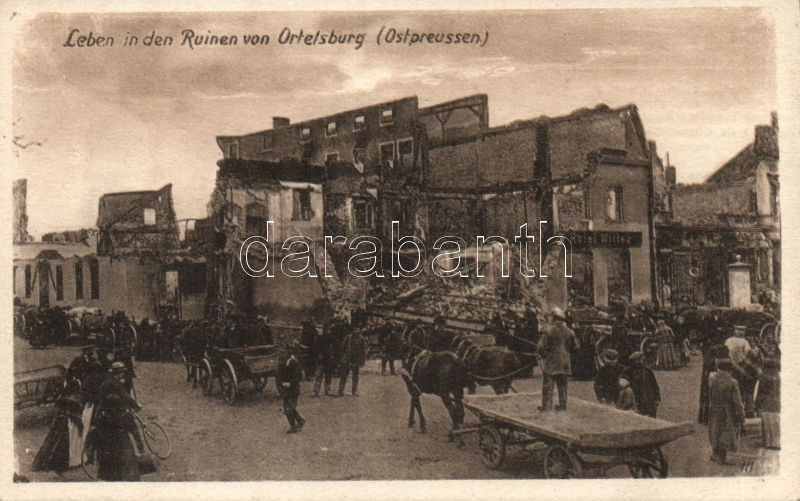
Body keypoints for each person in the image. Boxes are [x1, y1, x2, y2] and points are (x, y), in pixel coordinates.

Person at [92, 361, 142, 481]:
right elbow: (125, 396)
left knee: (107, 447)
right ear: (118, 373)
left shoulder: (107, 383)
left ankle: (107, 474)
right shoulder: (114, 384)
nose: (123, 375)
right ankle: (140, 451)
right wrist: (136, 406)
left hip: (103, 417)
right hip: (113, 417)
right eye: (122, 373)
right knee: (127, 437)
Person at [32, 380, 84, 474]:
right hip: (69, 424)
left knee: (54, 443)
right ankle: (66, 464)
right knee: (66, 444)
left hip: (58, 423)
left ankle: (52, 463)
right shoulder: (75, 399)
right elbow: (76, 414)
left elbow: (56, 412)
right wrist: (80, 424)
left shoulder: (62, 397)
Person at [536, 306, 577, 412]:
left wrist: (543, 355)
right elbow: (574, 348)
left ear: (554, 318)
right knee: (563, 386)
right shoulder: (570, 332)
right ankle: (562, 407)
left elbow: (540, 347)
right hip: (565, 362)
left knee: (548, 386)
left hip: (551, 363)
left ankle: (546, 408)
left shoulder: (548, 330)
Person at [707, 359, 745, 465]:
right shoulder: (732, 382)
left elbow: (709, 396)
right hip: (728, 411)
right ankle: (721, 456)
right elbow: (737, 401)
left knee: (716, 430)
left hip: (714, 409)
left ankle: (715, 453)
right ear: (729, 369)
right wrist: (741, 415)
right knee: (726, 432)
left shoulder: (712, 380)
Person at [276, 342, 305, 433]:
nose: (284, 353)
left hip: (293, 389)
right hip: (285, 389)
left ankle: (294, 427)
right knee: (288, 408)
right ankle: (300, 421)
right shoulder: (281, 363)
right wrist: (281, 384)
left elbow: (298, 376)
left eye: (287, 352)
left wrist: (291, 384)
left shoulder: (294, 363)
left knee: (289, 408)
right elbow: (278, 375)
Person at [624, 352, 661, 418]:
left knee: (652, 418)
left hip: (649, 399)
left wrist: (657, 398)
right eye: (638, 360)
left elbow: (654, 385)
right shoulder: (628, 371)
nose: (640, 362)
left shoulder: (647, 371)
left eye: (641, 360)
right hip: (636, 400)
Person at [698, 344, 728, 424]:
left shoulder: (707, 360)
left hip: (705, 382)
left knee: (705, 399)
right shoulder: (715, 361)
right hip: (712, 380)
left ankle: (703, 417)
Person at [755, 358, 780, 450]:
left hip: (767, 403)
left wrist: (757, 404)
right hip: (778, 403)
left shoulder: (764, 377)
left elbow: (761, 392)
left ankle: (768, 443)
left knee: (767, 424)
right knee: (776, 423)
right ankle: (777, 443)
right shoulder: (779, 376)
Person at [338, 324, 368, 396]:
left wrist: (362, 361)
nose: (356, 332)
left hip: (356, 360)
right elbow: (342, 348)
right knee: (344, 376)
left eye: (357, 330)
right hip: (347, 359)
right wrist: (343, 357)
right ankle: (340, 391)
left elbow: (363, 351)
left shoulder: (362, 339)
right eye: (354, 330)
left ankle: (354, 391)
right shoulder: (348, 338)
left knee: (355, 376)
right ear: (352, 331)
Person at [313, 321, 336, 397]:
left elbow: (335, 349)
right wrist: (319, 356)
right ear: (325, 329)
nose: (329, 331)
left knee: (328, 375)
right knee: (319, 375)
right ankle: (316, 391)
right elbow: (316, 349)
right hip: (322, 359)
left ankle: (328, 390)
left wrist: (333, 357)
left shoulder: (332, 338)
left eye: (330, 329)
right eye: (328, 329)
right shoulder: (320, 338)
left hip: (329, 359)